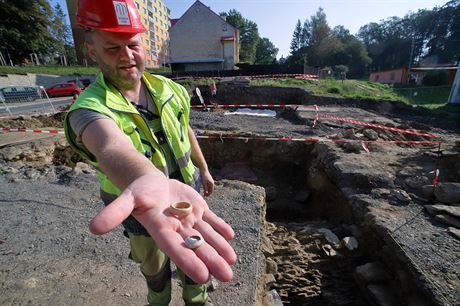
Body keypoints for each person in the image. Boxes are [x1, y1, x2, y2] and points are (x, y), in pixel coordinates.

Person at [63, 1, 236, 305]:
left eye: (132, 45)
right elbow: (108, 145)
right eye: (112, 48)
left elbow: (186, 131)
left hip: (186, 192)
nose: (127, 56)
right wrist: (146, 178)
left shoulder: (173, 90)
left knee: (194, 265)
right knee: (154, 269)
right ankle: (158, 299)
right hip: (140, 212)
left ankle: (196, 298)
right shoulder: (88, 108)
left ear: (144, 44)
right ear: (92, 51)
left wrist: (204, 169)